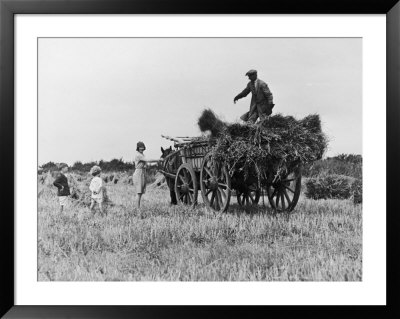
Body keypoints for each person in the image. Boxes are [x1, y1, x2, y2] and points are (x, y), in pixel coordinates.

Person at [133, 141, 148, 209]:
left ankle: (138, 207)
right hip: (139, 173)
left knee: (141, 193)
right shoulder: (138, 155)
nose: (142, 149)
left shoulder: (142, 155)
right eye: (140, 148)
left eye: (143, 148)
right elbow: (148, 160)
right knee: (138, 193)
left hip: (143, 173)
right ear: (138, 148)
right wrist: (159, 159)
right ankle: (137, 209)